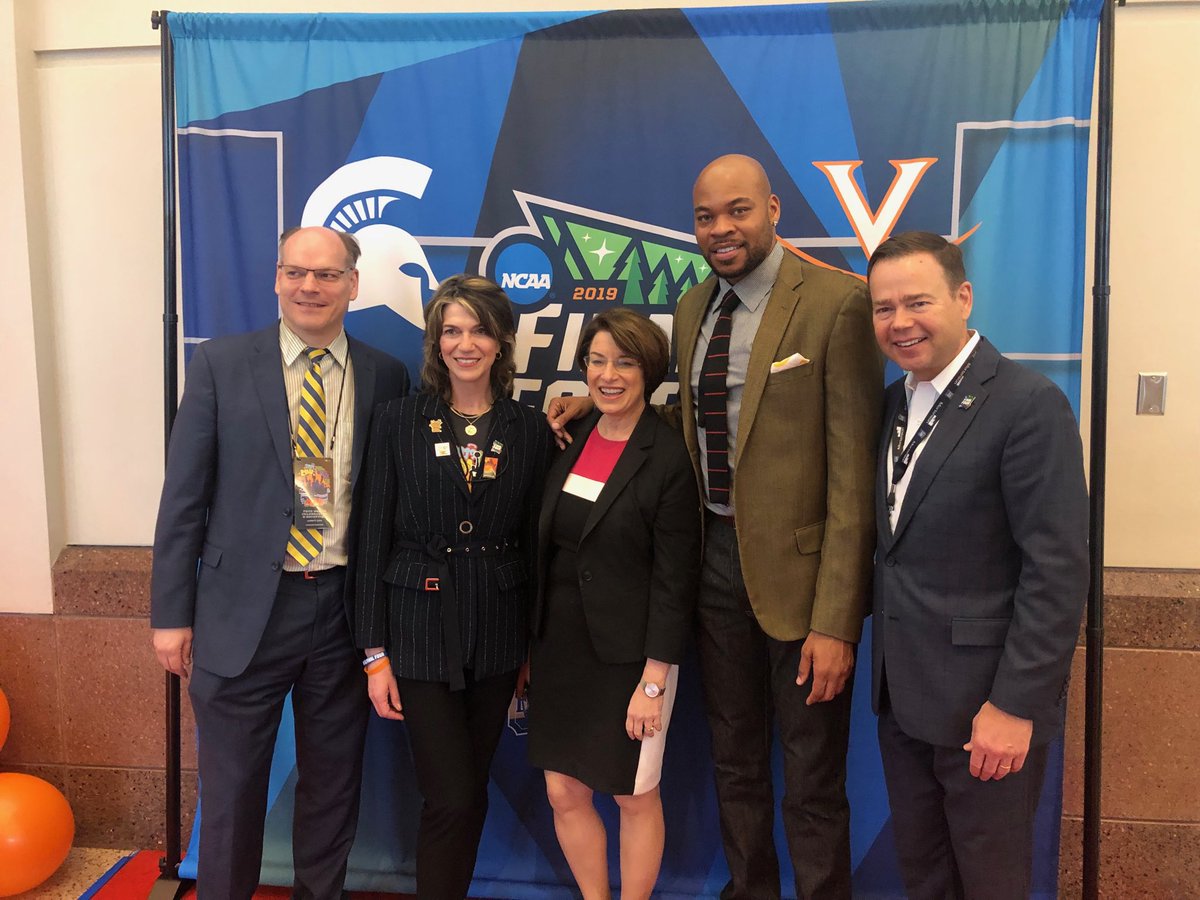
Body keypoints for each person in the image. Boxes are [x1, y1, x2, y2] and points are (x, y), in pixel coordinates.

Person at [549, 154, 883, 899]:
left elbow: (854, 478)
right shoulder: (697, 305)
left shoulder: (836, 304)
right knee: (732, 756)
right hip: (712, 565)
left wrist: (837, 622)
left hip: (802, 583)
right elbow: (702, 424)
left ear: (772, 209)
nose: (721, 228)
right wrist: (595, 406)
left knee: (811, 774)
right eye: (705, 217)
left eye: (737, 210)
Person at [150, 226, 410, 899]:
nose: (309, 287)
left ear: (353, 284)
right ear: (276, 278)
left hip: (342, 611)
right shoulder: (220, 365)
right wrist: (172, 616)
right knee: (232, 793)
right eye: (296, 272)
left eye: (326, 276)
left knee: (333, 786)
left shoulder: (386, 375)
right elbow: (183, 499)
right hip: (241, 613)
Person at [866, 231, 1088, 898]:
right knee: (925, 873)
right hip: (904, 701)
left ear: (963, 297)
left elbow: (1056, 567)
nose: (900, 322)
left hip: (984, 709)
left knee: (989, 881)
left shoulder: (1027, 404)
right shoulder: (893, 404)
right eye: (883, 308)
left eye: (918, 302)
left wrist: (1015, 705)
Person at [354, 275, 554, 899]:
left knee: (467, 799)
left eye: (479, 330)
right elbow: (369, 540)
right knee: (452, 796)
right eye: (452, 330)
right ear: (436, 341)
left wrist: (531, 650)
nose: (465, 344)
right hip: (416, 637)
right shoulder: (397, 420)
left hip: (497, 637)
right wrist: (373, 651)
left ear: (502, 341)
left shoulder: (530, 429)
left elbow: (536, 544)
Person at [529, 309, 701, 899]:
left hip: (630, 657)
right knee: (564, 791)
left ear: (649, 370)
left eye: (624, 362)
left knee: (633, 793)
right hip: (559, 647)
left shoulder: (669, 456)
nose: (609, 375)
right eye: (597, 361)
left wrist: (654, 680)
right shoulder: (568, 436)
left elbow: (676, 580)